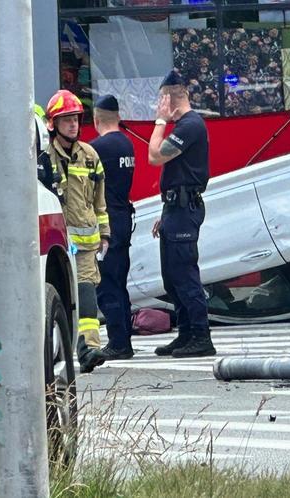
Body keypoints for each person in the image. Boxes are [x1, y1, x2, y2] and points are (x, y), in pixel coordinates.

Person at [148, 71, 216, 358]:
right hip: (175, 207)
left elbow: (155, 156)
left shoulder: (189, 125)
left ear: (169, 99)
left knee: (185, 274)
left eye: (161, 100)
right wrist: (166, 211)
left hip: (185, 208)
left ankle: (201, 336)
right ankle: (186, 333)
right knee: (171, 276)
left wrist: (160, 122)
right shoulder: (186, 126)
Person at [45, 89, 110, 373]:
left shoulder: (90, 156)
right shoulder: (44, 158)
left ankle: (89, 348)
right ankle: (63, 349)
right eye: (66, 120)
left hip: (85, 243)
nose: (72, 124)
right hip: (57, 244)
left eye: (75, 119)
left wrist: (105, 233)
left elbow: (99, 200)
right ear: (53, 124)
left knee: (86, 293)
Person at [90, 95, 136, 360]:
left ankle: (118, 343)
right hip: (123, 217)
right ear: (117, 117)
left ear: (96, 120)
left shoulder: (98, 148)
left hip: (106, 221)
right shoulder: (127, 144)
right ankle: (124, 338)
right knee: (120, 282)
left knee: (106, 283)